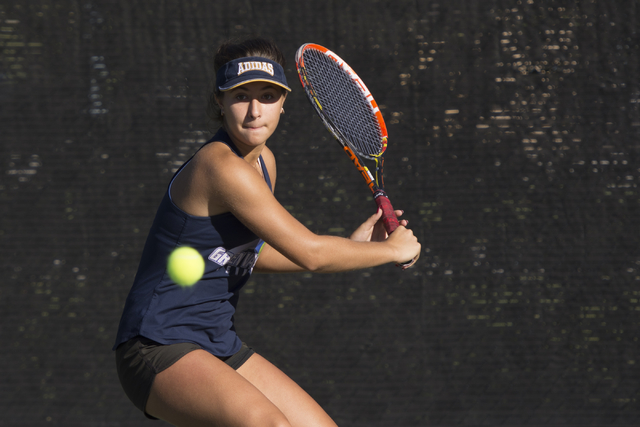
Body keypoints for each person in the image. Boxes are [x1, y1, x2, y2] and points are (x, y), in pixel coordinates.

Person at [113, 37, 421, 427]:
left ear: (284, 102)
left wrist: (354, 246)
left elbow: (249, 256)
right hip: (156, 345)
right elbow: (311, 253)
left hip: (215, 342)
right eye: (242, 96)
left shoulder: (264, 165)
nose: (256, 110)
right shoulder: (221, 167)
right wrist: (393, 250)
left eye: (268, 95)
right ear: (219, 102)